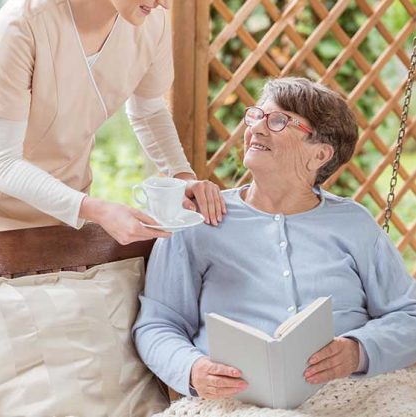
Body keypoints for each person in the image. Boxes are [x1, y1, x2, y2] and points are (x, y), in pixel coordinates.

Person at [132, 77, 416, 400]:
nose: (257, 128)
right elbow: (156, 325)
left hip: (351, 396)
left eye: (279, 121)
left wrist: (357, 351)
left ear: (320, 154)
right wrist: (193, 370)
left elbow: (410, 316)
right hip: (235, 404)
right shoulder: (196, 220)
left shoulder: (355, 224)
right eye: (256, 116)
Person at [0, 0, 226, 245]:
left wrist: (182, 175)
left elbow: (149, 111)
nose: (165, 3)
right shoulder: (23, 23)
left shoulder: (152, 23)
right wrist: (97, 210)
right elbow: (2, 163)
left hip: (61, 204)